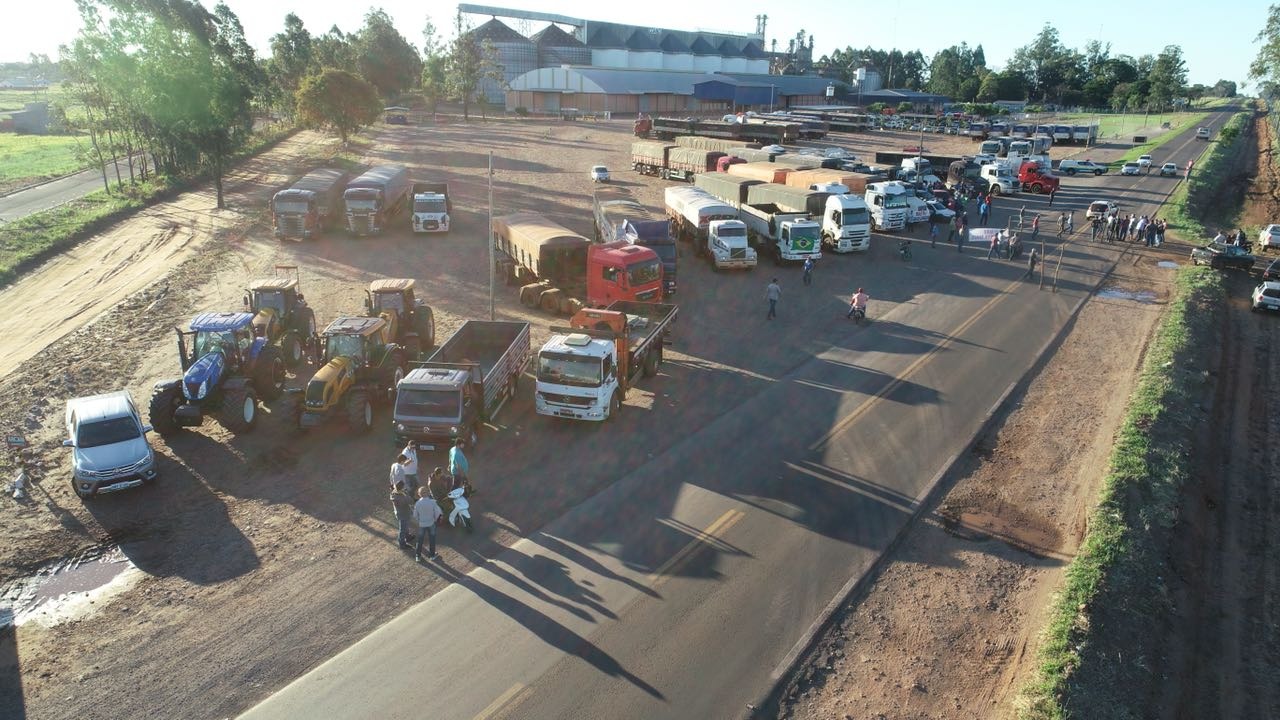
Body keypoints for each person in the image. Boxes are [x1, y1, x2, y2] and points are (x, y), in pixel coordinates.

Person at [413, 486, 443, 561]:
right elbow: (438, 513)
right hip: (431, 523)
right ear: (428, 493)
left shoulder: (417, 503)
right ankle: (432, 555)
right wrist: (435, 520)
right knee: (432, 539)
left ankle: (418, 556)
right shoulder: (433, 502)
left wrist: (419, 521)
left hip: (422, 524)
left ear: (419, 494)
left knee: (420, 540)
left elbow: (415, 515)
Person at [390, 481, 414, 549]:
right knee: (402, 529)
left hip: (402, 513)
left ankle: (407, 536)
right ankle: (402, 543)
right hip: (403, 514)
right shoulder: (401, 496)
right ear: (401, 488)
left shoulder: (394, 493)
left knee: (405, 526)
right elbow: (411, 501)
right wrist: (404, 494)